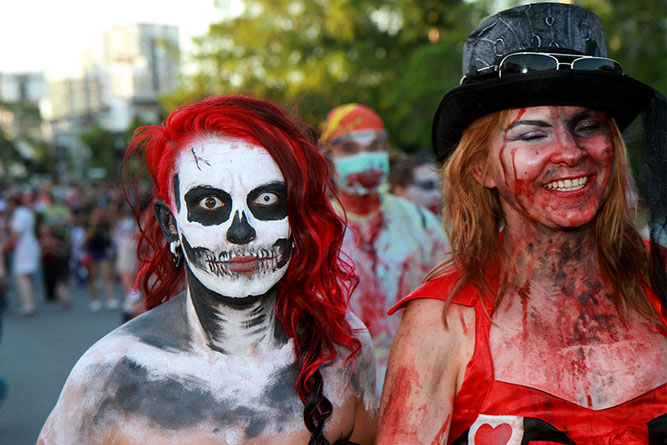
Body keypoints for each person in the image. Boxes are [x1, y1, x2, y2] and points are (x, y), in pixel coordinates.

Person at [378, 3, 666, 443]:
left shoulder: (663, 279)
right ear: (481, 168)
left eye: (587, 126)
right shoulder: (443, 322)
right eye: (533, 134)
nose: (570, 152)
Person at [39, 95, 377, 445]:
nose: (241, 232)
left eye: (266, 200)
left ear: (295, 217)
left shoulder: (341, 350)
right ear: (172, 224)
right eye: (211, 204)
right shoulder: (111, 376)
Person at [319, 104, 449, 394]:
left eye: (375, 146)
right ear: (328, 159)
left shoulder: (421, 224)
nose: (365, 158)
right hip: (336, 386)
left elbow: (450, 300)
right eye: (350, 148)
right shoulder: (314, 230)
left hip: (416, 378)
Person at [4, 191, 40, 317]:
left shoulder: (19, 214)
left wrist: (6, 246)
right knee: (27, 276)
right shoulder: (26, 212)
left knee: (22, 276)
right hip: (29, 245)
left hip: (24, 248)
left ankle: (28, 304)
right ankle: (30, 302)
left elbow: (16, 235)